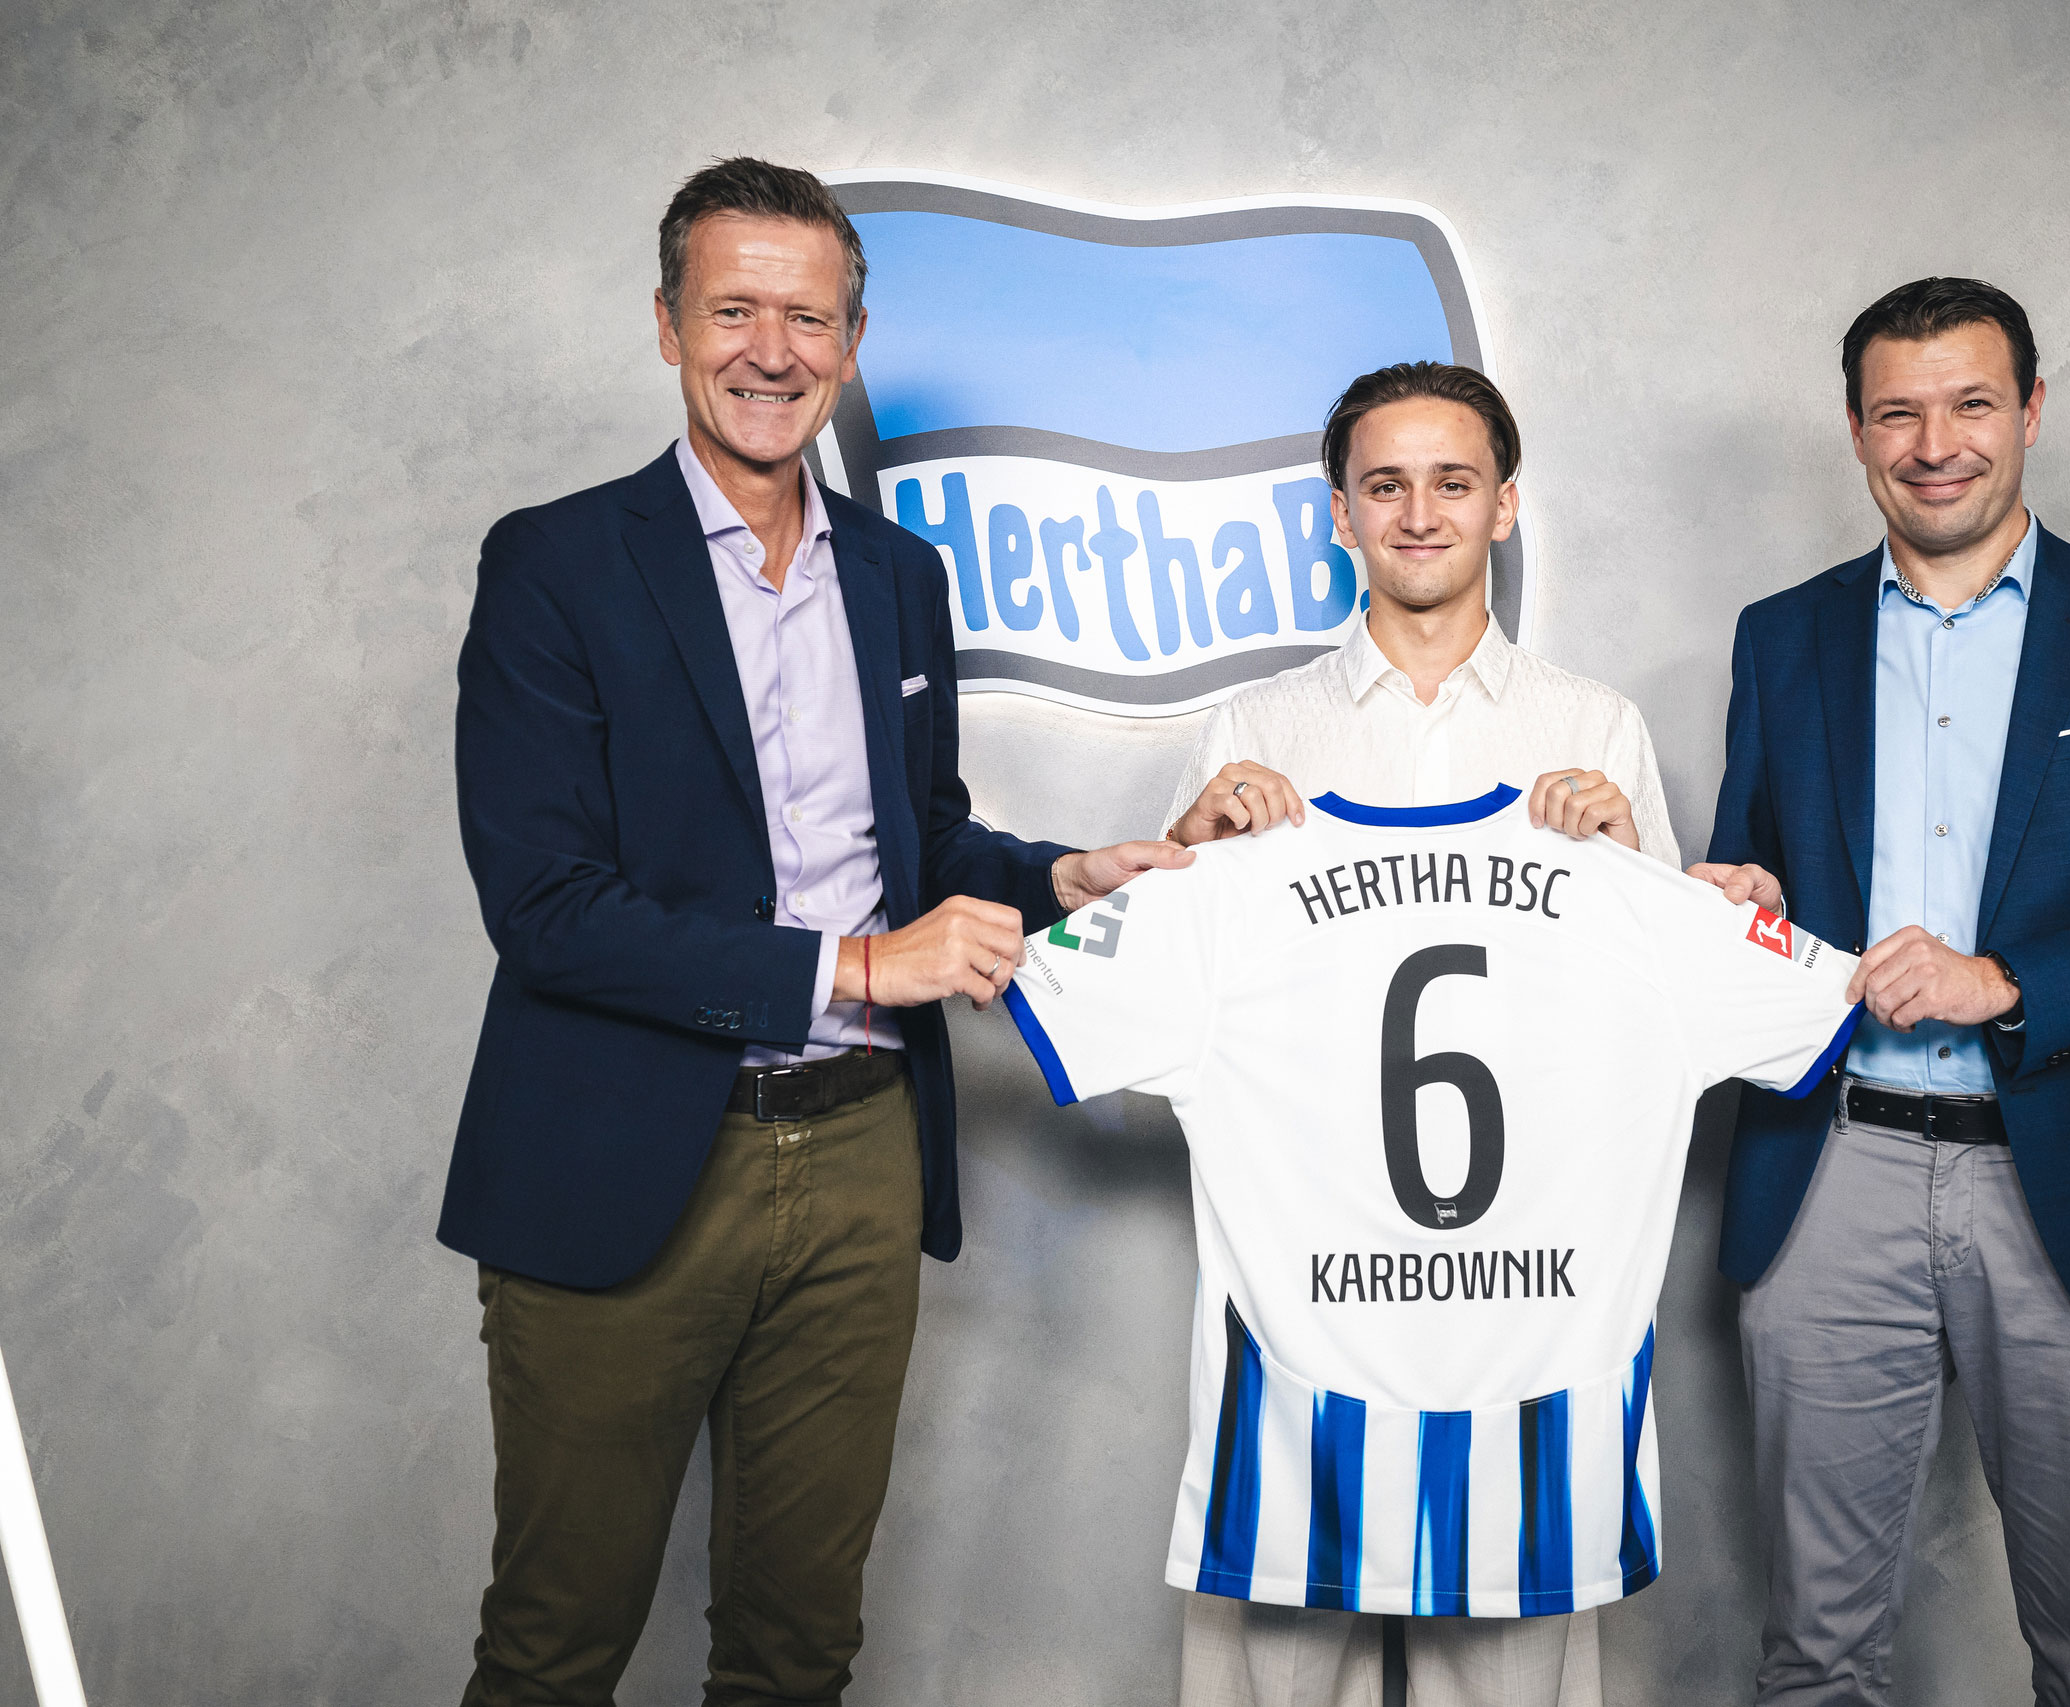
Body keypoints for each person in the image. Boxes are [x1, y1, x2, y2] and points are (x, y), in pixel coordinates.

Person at [438, 156, 1185, 1707]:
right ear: (666, 325)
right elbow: (548, 912)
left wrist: (1061, 877)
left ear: (851, 340)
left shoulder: (902, 579)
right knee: (556, 1647)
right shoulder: (555, 566)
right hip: (622, 1161)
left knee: (797, 1652)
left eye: (807, 316)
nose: (769, 350)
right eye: (732, 310)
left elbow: (916, 837)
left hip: (858, 1158)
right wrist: (853, 968)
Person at [1693, 277, 2070, 1705]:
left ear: (2029, 412)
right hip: (1830, 1169)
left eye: (1970, 403)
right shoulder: (1782, 637)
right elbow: (1755, 876)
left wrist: (2007, 979)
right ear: (1854, 432)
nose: (1934, 440)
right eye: (1898, 410)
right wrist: (1740, 907)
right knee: (1815, 1655)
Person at [1161, 359, 1673, 1707]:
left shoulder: (1595, 729)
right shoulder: (1252, 730)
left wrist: (1640, 870)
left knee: (1508, 1670)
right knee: (1272, 1662)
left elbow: (1661, 1022)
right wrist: (1185, 849)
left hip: (1520, 1305)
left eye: (1454, 481)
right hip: (1304, 1292)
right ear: (1339, 513)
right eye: (1385, 484)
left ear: (1506, 506)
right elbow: (1164, 979)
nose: (1420, 512)